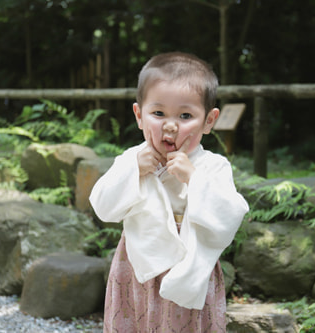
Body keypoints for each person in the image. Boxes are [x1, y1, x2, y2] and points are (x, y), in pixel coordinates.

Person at [89, 51, 249, 332]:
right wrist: (133, 172)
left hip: (188, 272)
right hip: (136, 270)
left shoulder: (212, 167)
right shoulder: (132, 159)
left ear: (209, 121)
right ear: (139, 115)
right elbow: (102, 206)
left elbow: (230, 216)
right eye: (158, 113)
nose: (171, 125)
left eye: (186, 115)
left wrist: (193, 179)